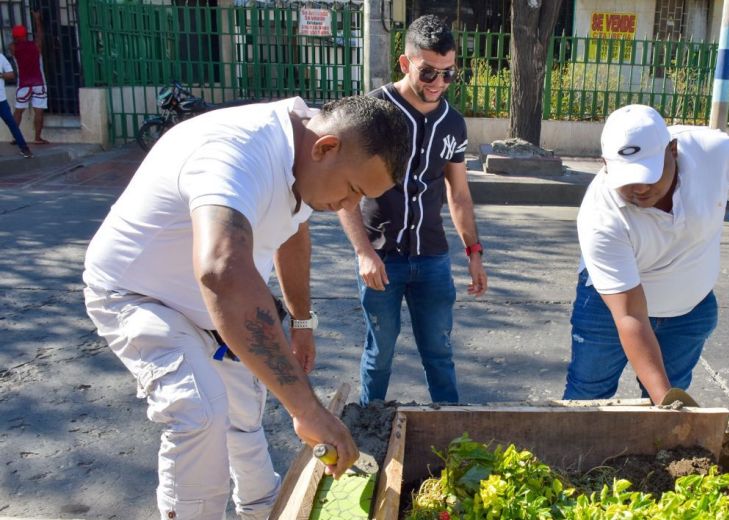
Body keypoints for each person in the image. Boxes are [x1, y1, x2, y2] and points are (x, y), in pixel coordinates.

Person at [83, 95, 409, 519]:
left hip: (211, 304)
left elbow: (292, 232)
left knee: (243, 414)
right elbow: (223, 270)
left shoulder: (303, 156)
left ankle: (261, 509)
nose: (348, 207)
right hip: (141, 294)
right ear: (326, 148)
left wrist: (301, 320)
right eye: (352, 190)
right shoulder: (236, 152)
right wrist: (307, 409)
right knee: (200, 410)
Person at [565, 104, 729, 404]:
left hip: (689, 311)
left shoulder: (715, 153)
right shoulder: (600, 216)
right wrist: (669, 407)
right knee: (587, 397)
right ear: (605, 164)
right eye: (628, 178)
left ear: (672, 150)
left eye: (649, 173)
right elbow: (630, 315)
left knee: (665, 395)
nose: (641, 188)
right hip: (609, 310)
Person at [338, 15, 488, 406]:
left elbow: (458, 195)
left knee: (440, 355)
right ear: (405, 64)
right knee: (380, 356)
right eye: (428, 73)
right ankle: (371, 429)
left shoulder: (453, 123)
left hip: (433, 260)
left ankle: (455, 440)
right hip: (381, 260)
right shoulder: (369, 113)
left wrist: (474, 253)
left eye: (447, 74)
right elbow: (344, 194)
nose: (438, 83)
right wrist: (364, 253)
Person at [10, 10, 48, 145]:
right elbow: (40, 36)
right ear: (26, 34)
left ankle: (16, 137)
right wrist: (37, 20)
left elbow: (15, 44)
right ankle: (37, 138)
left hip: (23, 84)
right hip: (39, 83)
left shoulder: (13, 47)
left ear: (14, 36)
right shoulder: (35, 46)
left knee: (18, 111)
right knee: (39, 111)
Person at [0, 53, 31, 157]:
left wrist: (0, 74)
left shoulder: (0, 57)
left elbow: (11, 74)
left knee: (12, 123)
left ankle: (24, 148)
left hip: (1, 100)